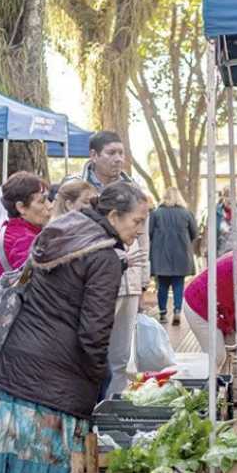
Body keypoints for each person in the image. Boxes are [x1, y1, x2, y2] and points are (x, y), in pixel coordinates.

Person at [0, 181, 149, 473]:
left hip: (17, 361)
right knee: (55, 461)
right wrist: (94, 377)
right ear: (114, 215)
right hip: (59, 375)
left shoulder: (59, 229)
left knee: (14, 452)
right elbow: (94, 332)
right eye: (137, 222)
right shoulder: (104, 257)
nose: (139, 231)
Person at [66, 130, 150, 397]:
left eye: (121, 153)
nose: (118, 159)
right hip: (90, 281)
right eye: (111, 153)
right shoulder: (76, 188)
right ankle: (86, 408)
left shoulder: (134, 189)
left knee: (120, 358)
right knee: (90, 350)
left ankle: (110, 412)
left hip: (129, 283)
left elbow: (143, 236)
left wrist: (144, 278)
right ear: (93, 155)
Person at [0, 172, 51, 293]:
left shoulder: (6, 231)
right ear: (21, 207)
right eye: (42, 201)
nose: (49, 206)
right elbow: (33, 287)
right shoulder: (25, 239)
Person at [184, 251, 237, 371]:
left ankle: (220, 385)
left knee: (221, 356)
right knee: (216, 356)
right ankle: (195, 380)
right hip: (198, 304)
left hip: (205, 301)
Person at [150, 187, 198, 325]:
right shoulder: (186, 213)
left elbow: (149, 233)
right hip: (181, 254)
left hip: (161, 254)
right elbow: (194, 233)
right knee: (178, 284)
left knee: (162, 285)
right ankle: (177, 311)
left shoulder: (156, 213)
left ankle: (163, 313)